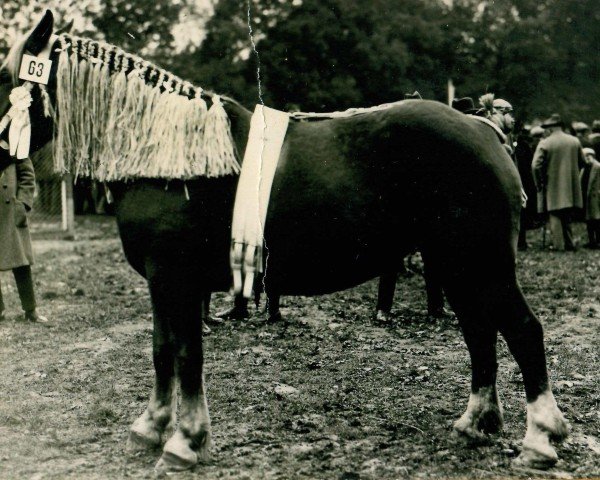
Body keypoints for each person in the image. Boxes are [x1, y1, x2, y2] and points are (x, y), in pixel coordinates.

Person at [0, 144, 47, 323]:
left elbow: (27, 175)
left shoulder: (12, 141)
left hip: (11, 210)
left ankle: (30, 310)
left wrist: (23, 204)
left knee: (21, 262)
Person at [532, 113, 584, 251]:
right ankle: (569, 243)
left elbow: (535, 166)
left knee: (554, 213)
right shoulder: (574, 141)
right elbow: (583, 162)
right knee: (567, 215)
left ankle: (558, 245)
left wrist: (539, 182)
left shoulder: (545, 143)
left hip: (552, 183)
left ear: (550, 128)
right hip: (570, 184)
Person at [580, 148, 600, 248]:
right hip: (587, 197)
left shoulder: (598, 167)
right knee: (589, 221)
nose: (587, 158)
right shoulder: (584, 169)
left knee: (596, 220)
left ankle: (597, 240)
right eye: (585, 157)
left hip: (596, 197)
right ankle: (592, 241)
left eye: (588, 156)